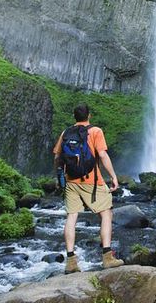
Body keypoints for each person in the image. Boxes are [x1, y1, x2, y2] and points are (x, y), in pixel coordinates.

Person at [53, 103, 124, 273]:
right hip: (93, 182)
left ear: (74, 117)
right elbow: (102, 154)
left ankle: (70, 261)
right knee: (106, 213)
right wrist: (113, 176)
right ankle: (107, 257)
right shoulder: (96, 131)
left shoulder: (66, 133)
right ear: (89, 116)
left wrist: (59, 176)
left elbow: (57, 156)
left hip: (71, 181)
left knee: (71, 217)